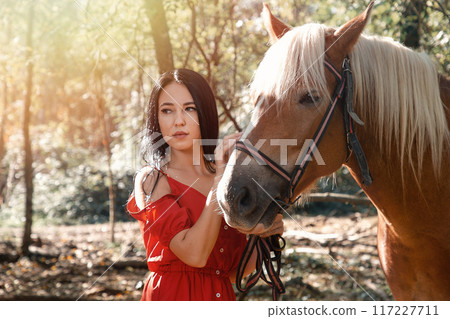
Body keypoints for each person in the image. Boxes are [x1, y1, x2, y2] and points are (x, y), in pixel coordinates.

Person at [127, 69, 283, 301]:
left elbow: (231, 271)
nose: (178, 120)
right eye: (167, 110)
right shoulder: (152, 179)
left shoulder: (224, 176)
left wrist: (264, 237)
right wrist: (220, 178)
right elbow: (194, 255)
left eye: (189, 109)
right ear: (157, 119)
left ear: (205, 113)